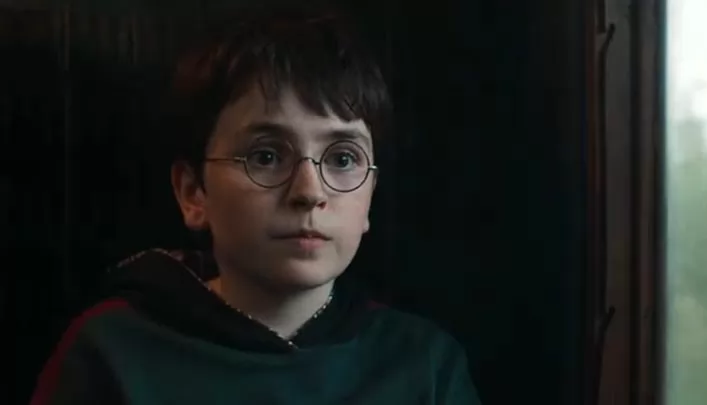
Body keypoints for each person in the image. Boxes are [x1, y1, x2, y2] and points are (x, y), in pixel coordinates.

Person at [29, 8, 482, 405]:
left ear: (370, 197)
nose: (310, 192)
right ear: (193, 192)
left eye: (343, 159)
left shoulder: (423, 363)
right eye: (266, 156)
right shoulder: (111, 353)